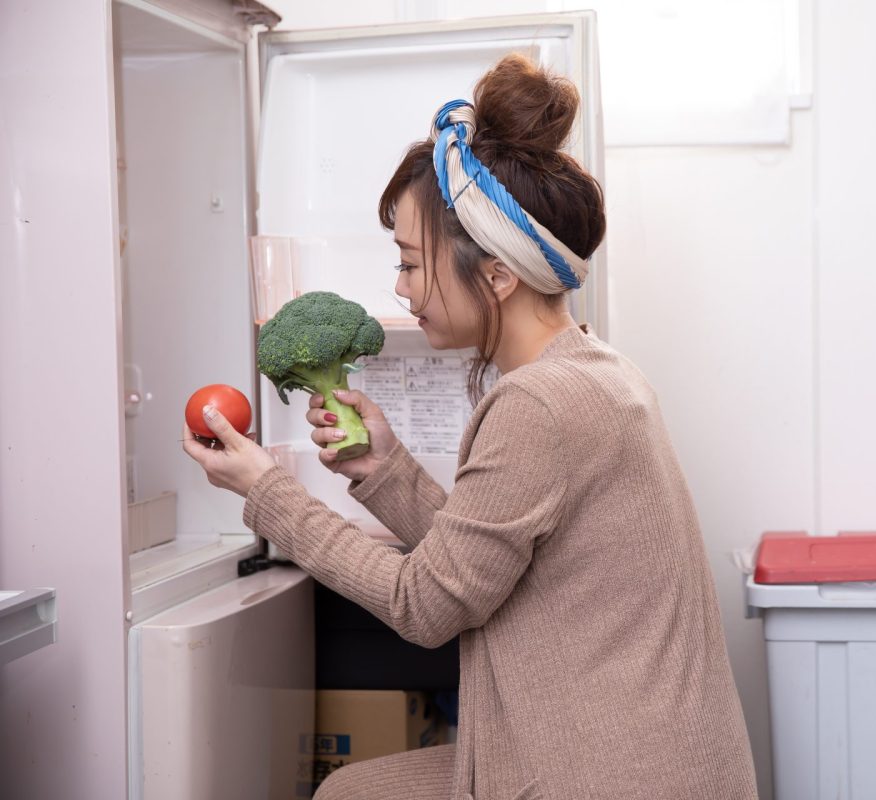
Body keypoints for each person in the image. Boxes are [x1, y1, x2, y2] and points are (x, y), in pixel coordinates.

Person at [184, 53, 758, 800]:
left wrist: (268, 493)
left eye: (413, 264)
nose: (401, 288)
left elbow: (426, 605)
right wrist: (382, 468)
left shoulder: (539, 407)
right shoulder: (594, 370)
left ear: (496, 276)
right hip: (638, 760)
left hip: (609, 773)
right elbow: (484, 567)